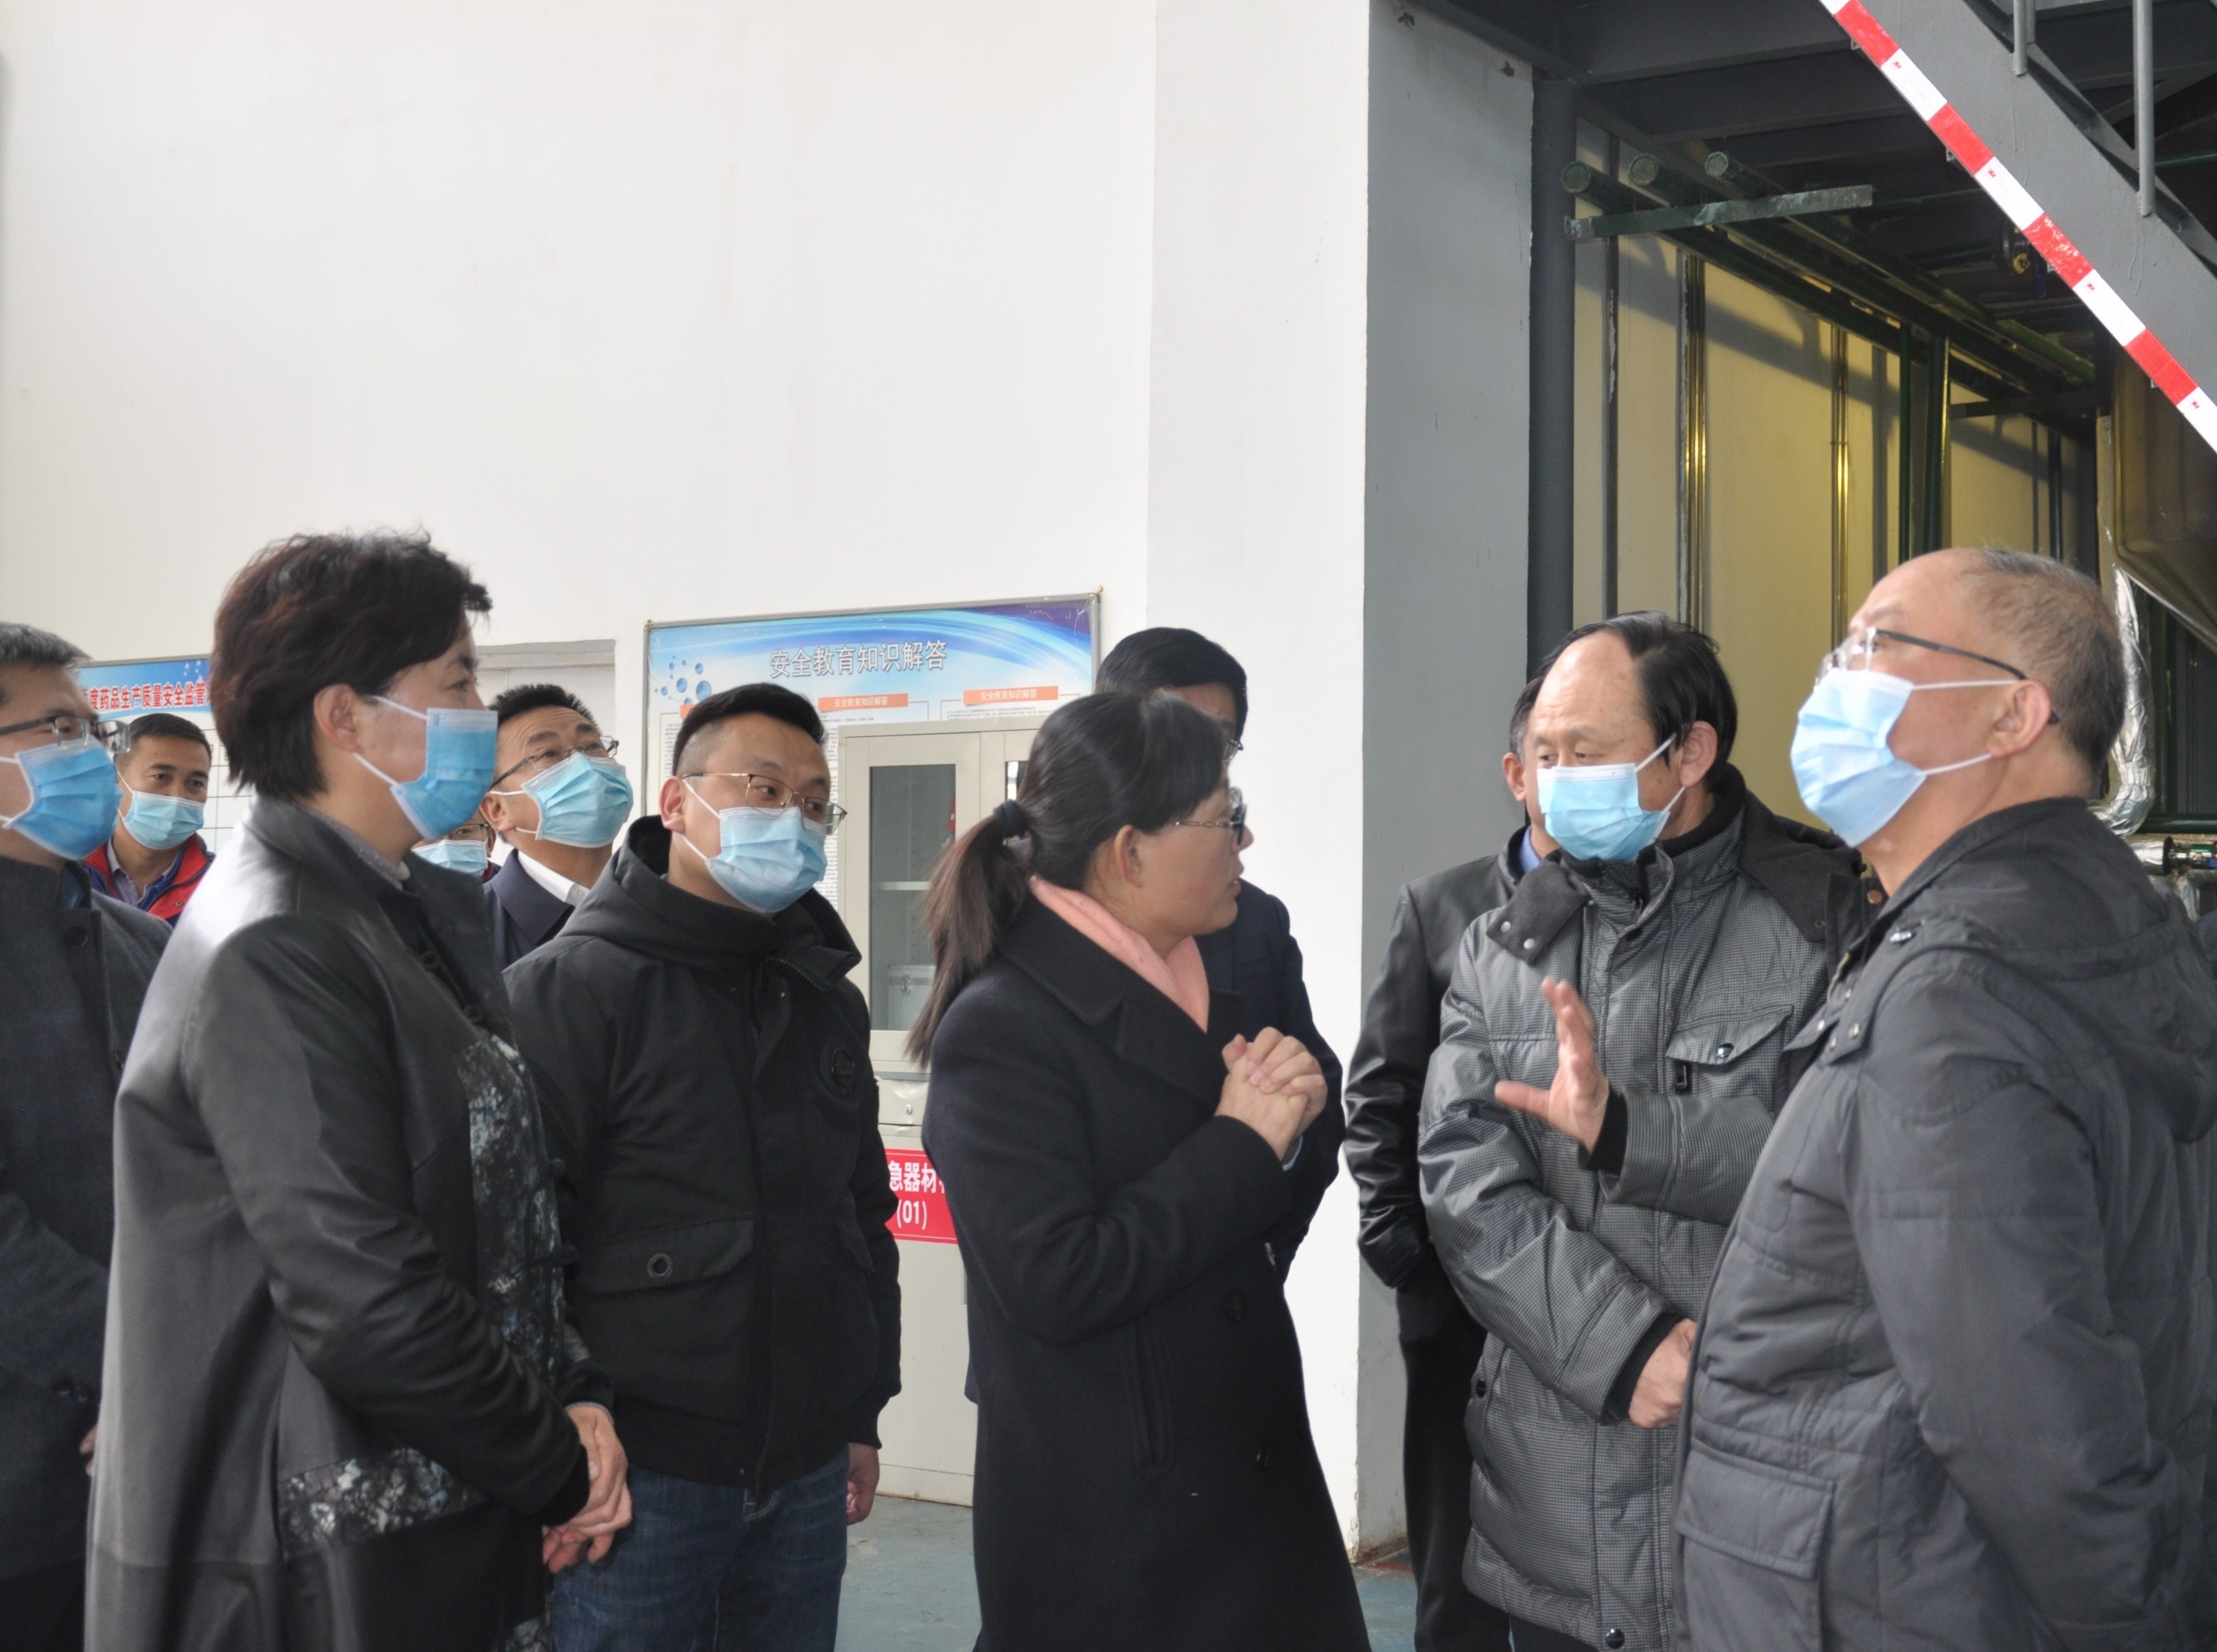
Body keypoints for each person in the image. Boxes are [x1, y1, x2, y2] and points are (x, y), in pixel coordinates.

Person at [87, 532, 631, 1652]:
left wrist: (573, 1390)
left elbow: (504, 1210)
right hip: (312, 1553)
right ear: (346, 716)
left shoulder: (400, 912)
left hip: (432, 1502)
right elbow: (362, 1294)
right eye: (458, 682)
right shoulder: (278, 941)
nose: (479, 714)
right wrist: (553, 1462)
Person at [1679, 549, 2217, 1648]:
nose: (1834, 678)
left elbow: (2026, 1409)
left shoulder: (1958, 986)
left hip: (1893, 1594)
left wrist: (2145, 1617)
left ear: (2012, 715)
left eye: (1875, 645)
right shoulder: (2081, 913)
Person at [1417, 611, 1856, 1652]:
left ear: (1688, 752)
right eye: (1544, 755)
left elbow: (1841, 1165)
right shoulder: (1503, 945)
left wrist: (1627, 1133)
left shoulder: (1823, 921)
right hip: (1559, 1513)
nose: (1558, 780)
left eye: (1588, 752)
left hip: (1768, 1493)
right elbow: (1464, 1184)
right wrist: (1620, 1347)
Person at [915, 689, 1363, 1652]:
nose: (1245, 839)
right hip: (1123, 1531)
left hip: (1243, 1488)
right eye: (1224, 816)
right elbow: (1055, 1277)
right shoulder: (1002, 1029)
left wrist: (1284, 1131)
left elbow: (1241, 1213)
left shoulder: (1201, 986)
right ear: (1129, 851)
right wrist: (1243, 1141)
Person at [506, 682, 900, 1652]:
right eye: (764, 789)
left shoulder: (823, 996)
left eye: (814, 803)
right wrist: (557, 1443)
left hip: (805, 1464)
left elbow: (860, 1214)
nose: (792, 819)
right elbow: (520, 1243)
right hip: (641, 1472)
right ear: (677, 803)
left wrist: (860, 1407)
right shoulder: (568, 989)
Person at [1343, 675, 1550, 1652]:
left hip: (1602, 1296)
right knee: (1453, 1568)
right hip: (1460, 1305)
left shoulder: (1651, 903)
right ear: (1515, 773)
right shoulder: (1441, 908)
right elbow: (1380, 1093)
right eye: (1556, 754)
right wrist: (1408, 1261)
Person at [0, 625, 167, 1652]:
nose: (89, 755)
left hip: (157, 1474)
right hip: (21, 1481)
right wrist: (137, 1364)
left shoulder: (147, 944)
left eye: (89, 730)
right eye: (55, 728)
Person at [1094, 627, 1342, 1262]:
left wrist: (1282, 1150)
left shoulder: (1253, 923)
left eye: (1217, 745)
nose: (1198, 764)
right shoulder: (1034, 942)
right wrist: (1239, 1144)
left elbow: (1316, 1109)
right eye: (1172, 737)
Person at [481, 684, 631, 965]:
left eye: (593, 746)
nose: (584, 765)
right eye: (548, 754)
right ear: (497, 809)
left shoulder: (664, 905)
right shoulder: (464, 935)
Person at [82, 711, 216, 922]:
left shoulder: (223, 885)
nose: (178, 795)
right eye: (161, 777)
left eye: (196, 783)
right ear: (115, 780)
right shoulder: (64, 874)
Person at [419, 809, 499, 880]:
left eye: (463, 832)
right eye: (430, 835)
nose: (447, 850)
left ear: (490, 841)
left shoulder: (507, 890)